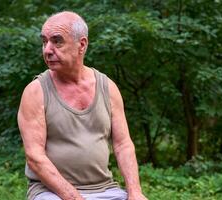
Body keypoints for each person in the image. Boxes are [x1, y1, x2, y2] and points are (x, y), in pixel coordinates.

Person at [17, 11, 147, 200]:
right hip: (51, 193)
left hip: (105, 190)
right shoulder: (35, 92)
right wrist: (75, 198)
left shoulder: (107, 87)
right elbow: (35, 157)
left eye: (57, 41)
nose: (47, 49)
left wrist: (135, 192)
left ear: (82, 44)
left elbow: (123, 144)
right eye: (44, 41)